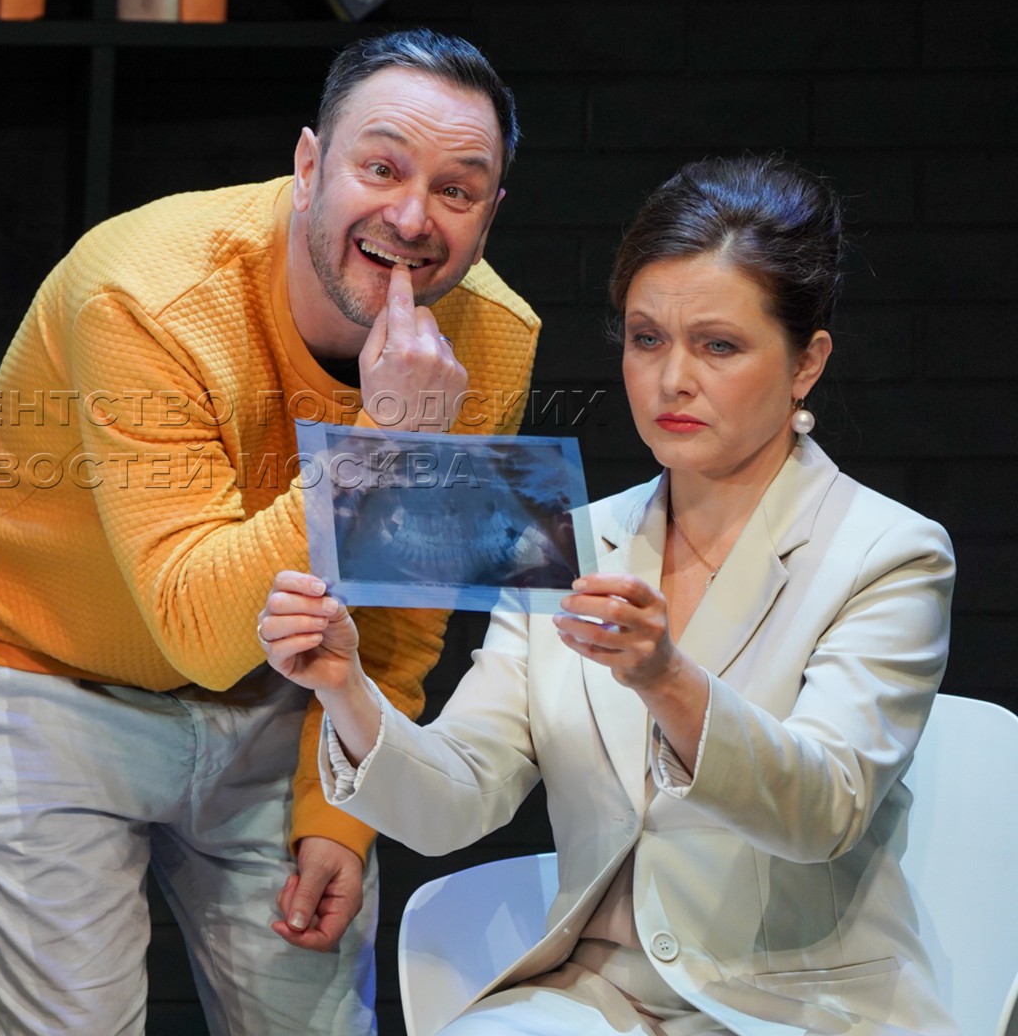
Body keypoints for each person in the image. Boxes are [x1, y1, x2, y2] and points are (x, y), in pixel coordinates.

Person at [0, 29, 542, 1033]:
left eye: (457, 190)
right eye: (381, 168)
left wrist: (340, 809)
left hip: (279, 690)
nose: (413, 217)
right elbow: (197, 629)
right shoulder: (147, 293)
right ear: (309, 164)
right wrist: (381, 441)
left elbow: (400, 609)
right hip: (37, 674)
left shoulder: (491, 337)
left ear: (490, 213)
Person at [260, 155, 956, 1035]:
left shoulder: (887, 552)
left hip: (797, 1001)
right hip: (597, 996)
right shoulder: (569, 542)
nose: (673, 379)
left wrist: (668, 678)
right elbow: (458, 800)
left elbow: (825, 811)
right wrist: (345, 688)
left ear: (805, 364)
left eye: (719, 346)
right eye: (646, 339)